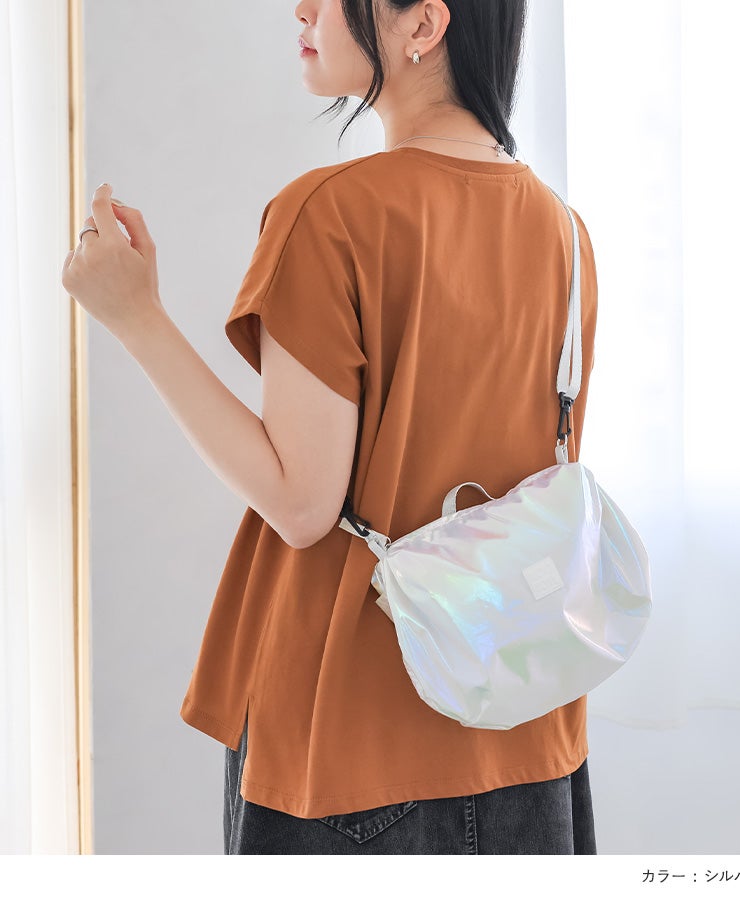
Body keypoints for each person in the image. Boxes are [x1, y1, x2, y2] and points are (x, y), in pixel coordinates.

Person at [63, 0, 598, 855]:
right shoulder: (564, 232)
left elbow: (301, 503)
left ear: (423, 26)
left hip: (349, 746)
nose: (303, 9)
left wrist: (135, 317)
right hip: (530, 741)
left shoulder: (331, 211)